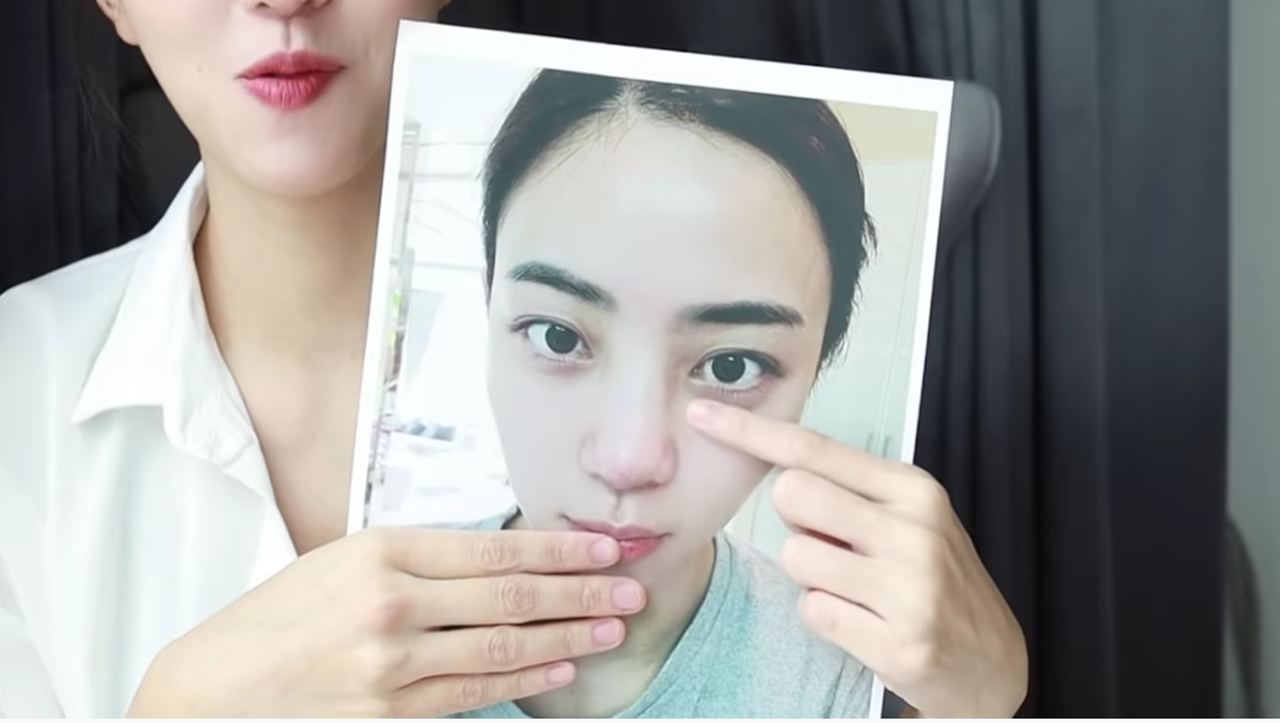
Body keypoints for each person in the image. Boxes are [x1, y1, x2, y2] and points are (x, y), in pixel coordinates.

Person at [0, 0, 1028, 719]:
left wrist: (979, 704)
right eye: (560, 337)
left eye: (728, 365)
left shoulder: (812, 637)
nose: (282, 1)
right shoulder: (20, 392)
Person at [462, 70, 880, 718]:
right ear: (489, 304)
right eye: (558, 336)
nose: (627, 460)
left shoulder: (843, 680)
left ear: (816, 370)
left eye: (732, 367)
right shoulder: (347, 623)